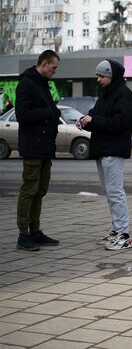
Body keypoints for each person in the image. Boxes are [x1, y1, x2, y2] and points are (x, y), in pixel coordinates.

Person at [76, 59, 132, 250]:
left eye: (102, 76)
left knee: (115, 192)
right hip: (103, 148)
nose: (99, 79)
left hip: (113, 149)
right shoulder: (107, 94)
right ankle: (116, 230)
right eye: (98, 76)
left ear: (111, 76)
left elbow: (120, 122)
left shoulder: (123, 94)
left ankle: (124, 235)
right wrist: (85, 120)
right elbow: (95, 114)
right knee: (110, 192)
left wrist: (94, 120)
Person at [15, 50, 61, 251]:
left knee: (40, 190)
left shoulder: (42, 84)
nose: (54, 71)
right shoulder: (27, 83)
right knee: (29, 189)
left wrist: (54, 111)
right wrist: (49, 112)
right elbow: (22, 115)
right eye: (53, 67)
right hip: (33, 146)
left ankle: (35, 230)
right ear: (43, 64)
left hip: (44, 146)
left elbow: (49, 110)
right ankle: (23, 234)